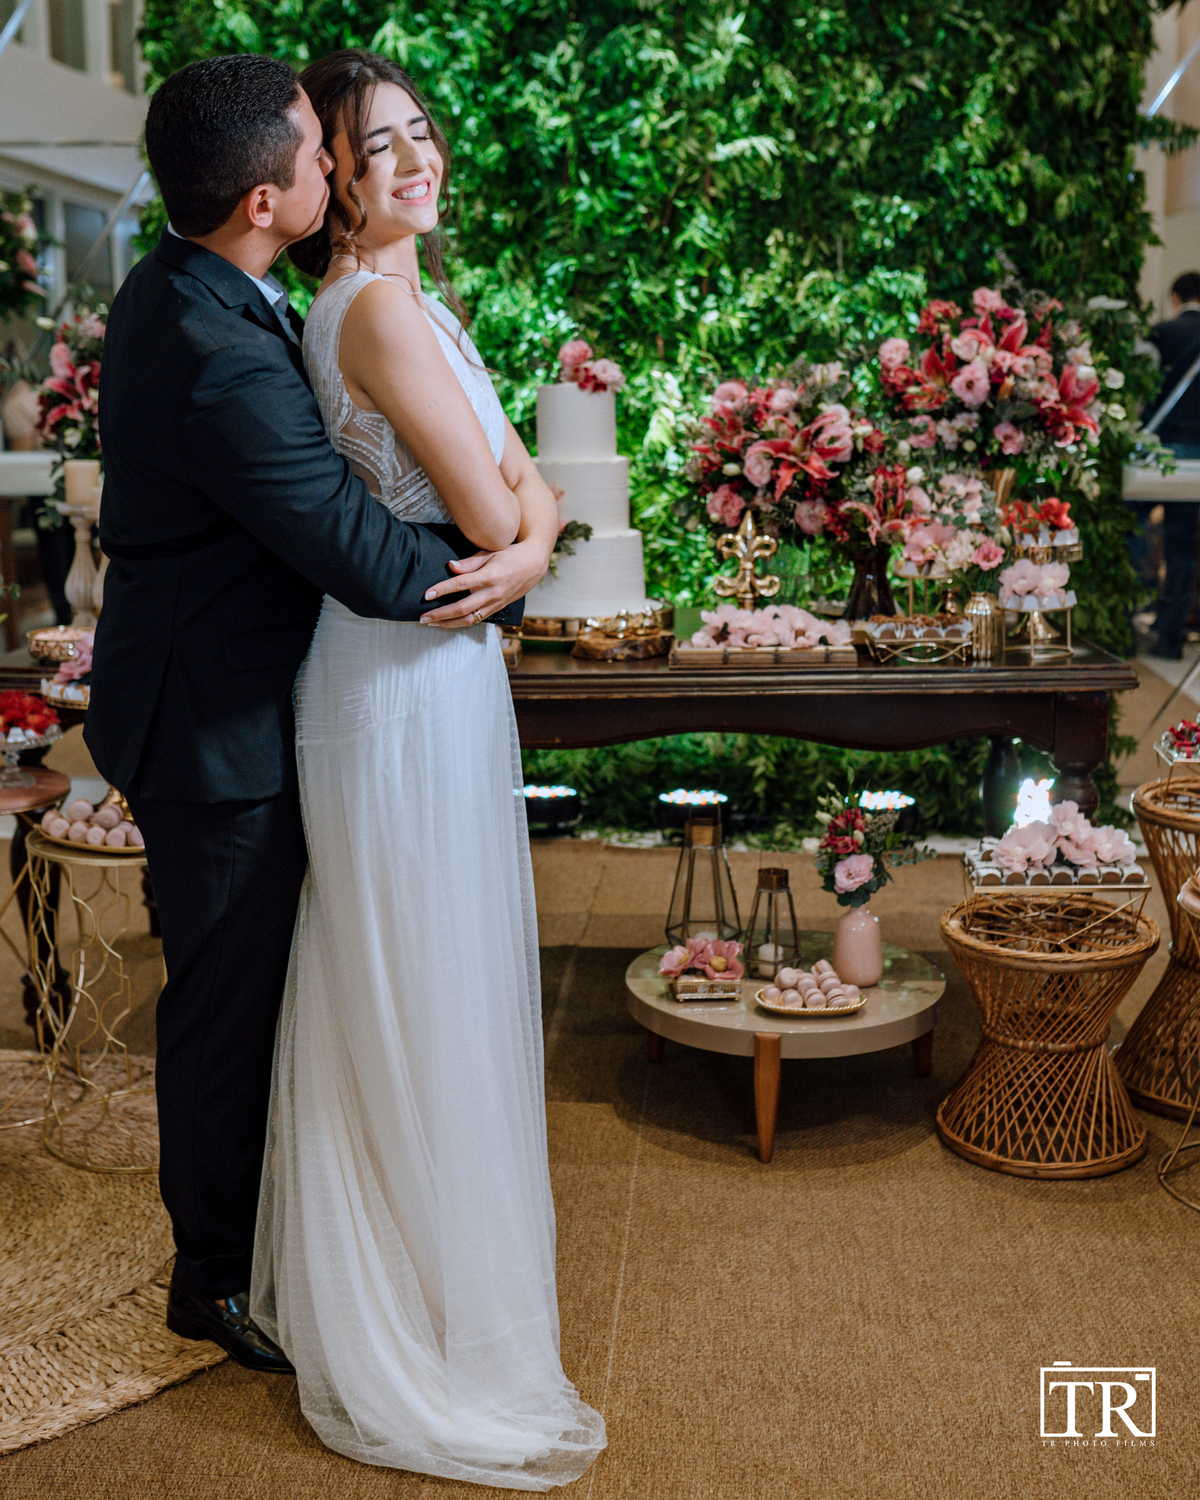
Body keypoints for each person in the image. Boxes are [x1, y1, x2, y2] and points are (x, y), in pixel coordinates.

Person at [85, 54, 543, 1374]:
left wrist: (522, 533)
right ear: (266, 201)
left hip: (241, 684)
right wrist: (518, 562)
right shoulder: (221, 352)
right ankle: (214, 1282)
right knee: (224, 1007)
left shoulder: (202, 285)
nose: (338, 164)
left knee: (290, 988)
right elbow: (376, 560)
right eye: (322, 150)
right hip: (215, 728)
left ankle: (295, 1237)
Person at [247, 50, 606, 1488]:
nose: (416, 161)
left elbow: (538, 492)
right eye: (376, 145)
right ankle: (413, 1316)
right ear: (331, 177)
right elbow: (494, 506)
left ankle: (428, 1282)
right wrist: (524, 540)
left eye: (422, 133)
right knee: (413, 978)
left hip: (434, 668)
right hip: (397, 682)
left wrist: (531, 538)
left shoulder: (416, 302)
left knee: (417, 973)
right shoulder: (378, 310)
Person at [1132, 270, 1200, 658]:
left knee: (1136, 531)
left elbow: (1141, 391)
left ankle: (1128, 625)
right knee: (1183, 548)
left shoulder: (1161, 333)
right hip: (1196, 460)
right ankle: (1170, 639)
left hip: (1155, 452)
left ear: (1175, 298)